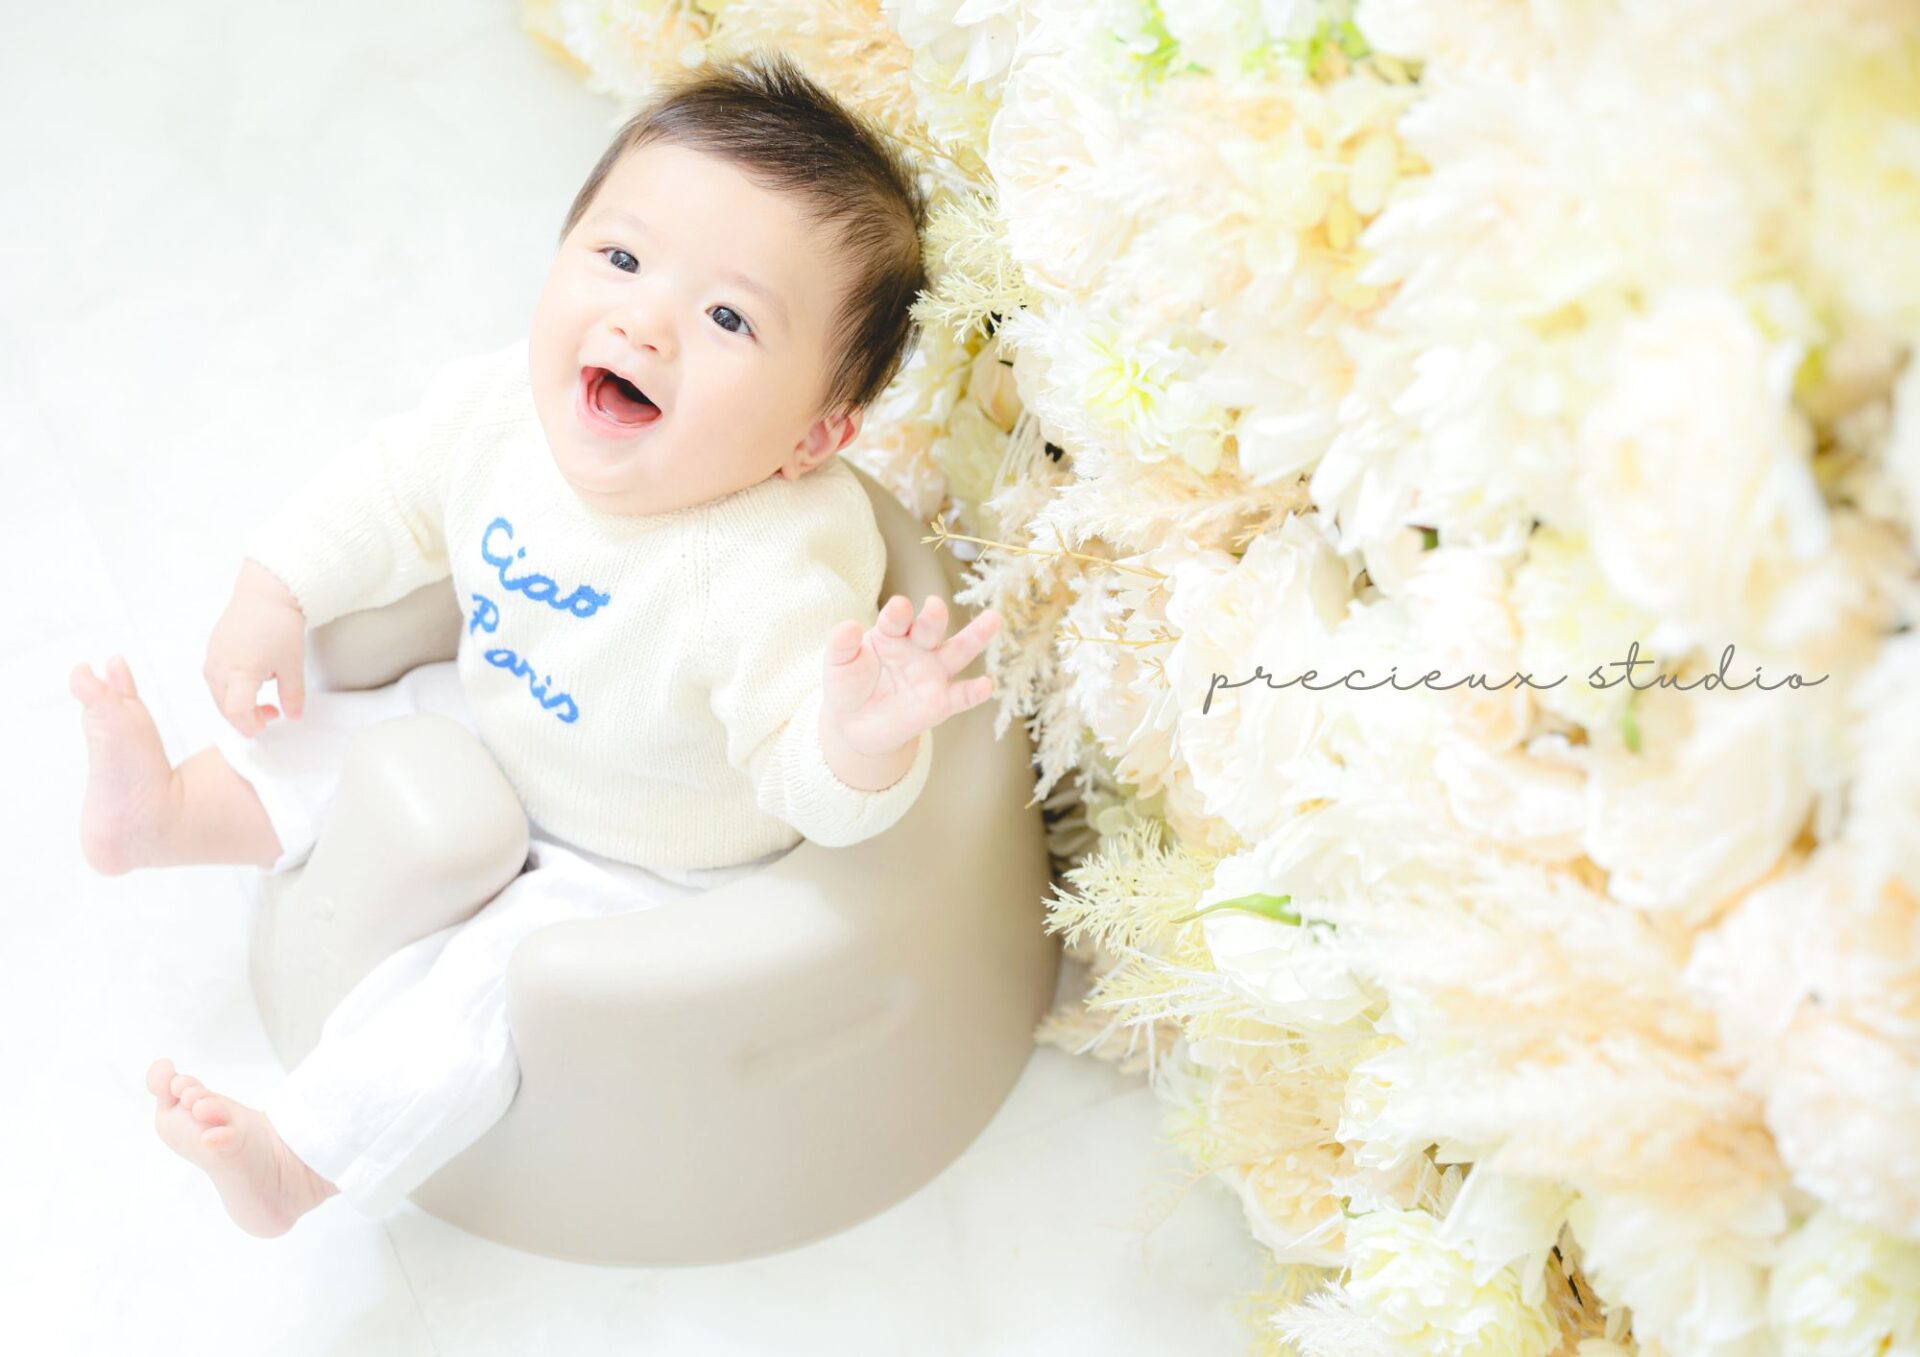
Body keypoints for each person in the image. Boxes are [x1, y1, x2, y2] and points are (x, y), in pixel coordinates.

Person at [69, 50, 1000, 1238]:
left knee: (484, 992)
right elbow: (386, 494)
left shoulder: (770, 572)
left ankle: (302, 1156)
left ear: (813, 438)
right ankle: (166, 816)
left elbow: (803, 779)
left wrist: (859, 739)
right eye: (621, 258)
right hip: (502, 718)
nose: (643, 320)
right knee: (332, 729)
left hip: (649, 856)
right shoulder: (502, 412)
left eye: (727, 317)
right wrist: (274, 593)